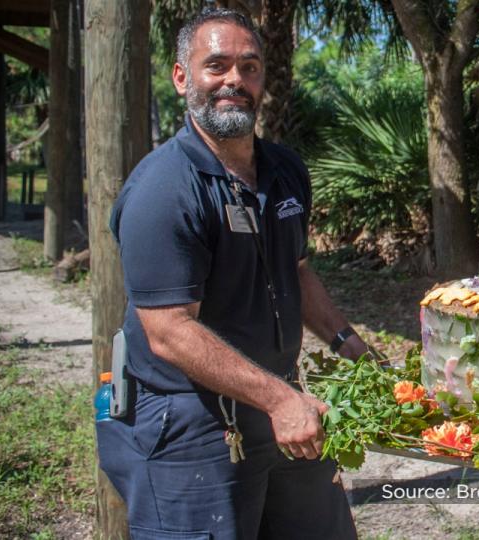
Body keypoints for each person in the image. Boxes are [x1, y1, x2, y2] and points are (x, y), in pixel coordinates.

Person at [98, 9, 369, 539]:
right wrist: (279, 399)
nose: (234, 81)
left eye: (248, 67)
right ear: (181, 77)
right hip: (189, 423)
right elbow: (169, 331)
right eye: (215, 65)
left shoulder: (285, 169)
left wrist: (351, 346)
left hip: (281, 403)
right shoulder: (165, 189)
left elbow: (297, 270)